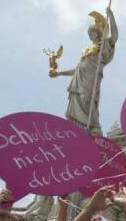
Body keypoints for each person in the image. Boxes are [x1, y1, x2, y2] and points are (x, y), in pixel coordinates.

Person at [50, 8, 118, 137]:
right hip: (78, 81)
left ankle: (93, 128)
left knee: (88, 100)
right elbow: (77, 69)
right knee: (77, 102)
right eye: (89, 33)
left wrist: (111, 16)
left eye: (92, 32)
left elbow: (114, 37)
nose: (90, 35)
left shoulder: (102, 47)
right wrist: (59, 73)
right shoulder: (87, 50)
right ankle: (77, 129)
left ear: (98, 33)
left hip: (90, 80)